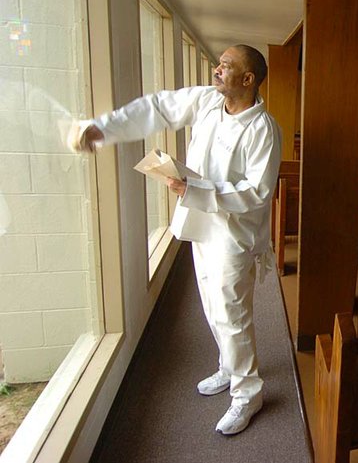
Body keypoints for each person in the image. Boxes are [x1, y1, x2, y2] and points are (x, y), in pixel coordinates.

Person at [71, 44, 281, 436]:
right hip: (201, 225)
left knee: (232, 315)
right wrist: (105, 128)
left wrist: (193, 189)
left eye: (226, 66)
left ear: (248, 79)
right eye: (218, 64)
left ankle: (247, 392)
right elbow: (159, 107)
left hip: (234, 237)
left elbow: (257, 192)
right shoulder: (206, 101)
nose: (217, 70)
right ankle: (227, 366)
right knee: (210, 305)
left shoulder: (263, 130)